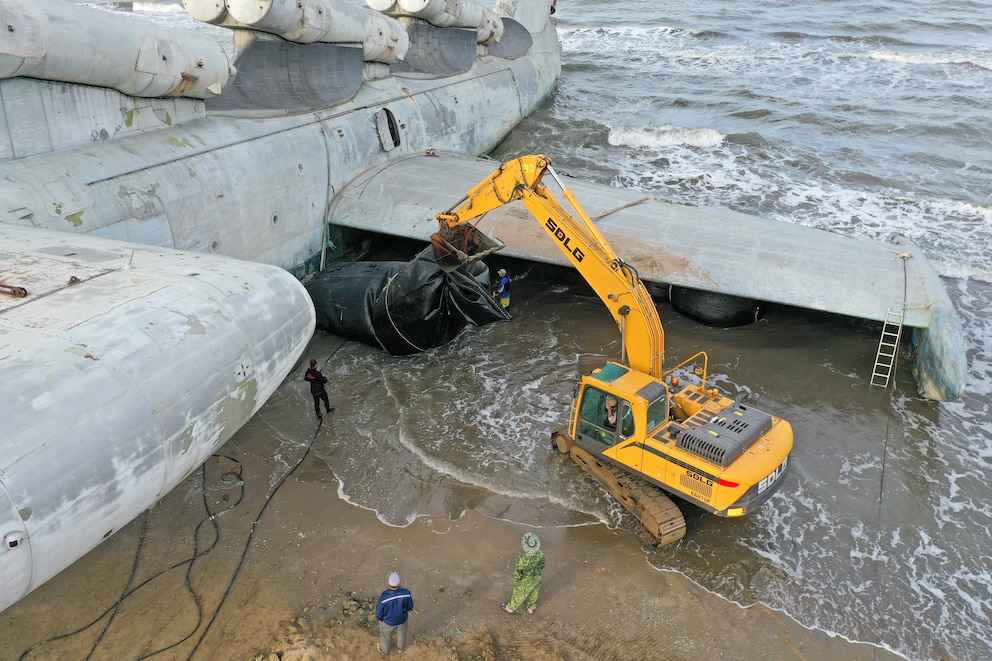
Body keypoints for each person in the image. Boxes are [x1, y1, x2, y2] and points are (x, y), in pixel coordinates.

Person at [501, 532, 545, 615]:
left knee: (519, 594)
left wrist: (517, 582)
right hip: (537, 578)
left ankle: (511, 608)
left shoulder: (521, 559)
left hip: (525, 581)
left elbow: (518, 573)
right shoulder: (540, 554)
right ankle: (531, 608)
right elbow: (542, 565)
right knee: (534, 593)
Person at [375, 572, 417, 656]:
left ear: (388, 583)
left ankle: (384, 651)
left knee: (385, 637)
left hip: (388, 622)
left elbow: (379, 612)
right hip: (402, 619)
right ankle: (400, 649)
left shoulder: (384, 597)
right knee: (402, 635)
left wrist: (379, 618)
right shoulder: (406, 593)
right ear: (399, 583)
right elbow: (410, 606)